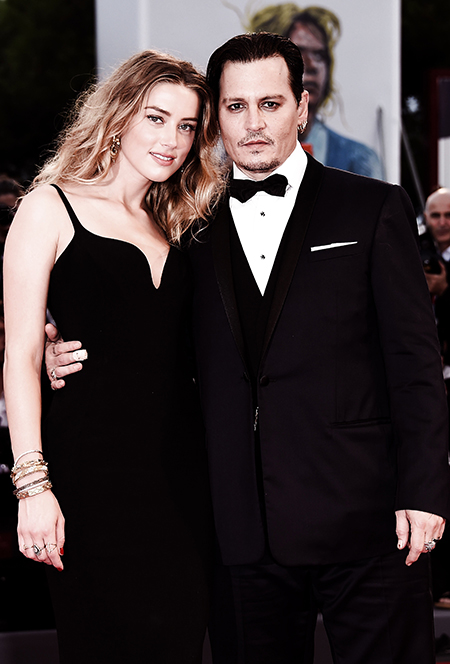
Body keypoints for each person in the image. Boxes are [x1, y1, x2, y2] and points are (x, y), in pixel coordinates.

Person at [46, 33, 450, 664]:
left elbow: (416, 364)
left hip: (369, 520)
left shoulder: (371, 207)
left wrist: (424, 492)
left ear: (302, 108)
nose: (253, 123)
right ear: (216, 117)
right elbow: (148, 335)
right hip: (236, 530)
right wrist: (63, 349)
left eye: (270, 103)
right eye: (235, 106)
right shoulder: (180, 224)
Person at [3, 49, 224, 664]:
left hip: (184, 485)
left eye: (187, 126)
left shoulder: (181, 222)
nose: (172, 140)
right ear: (119, 115)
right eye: (156, 118)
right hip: (90, 479)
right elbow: (20, 355)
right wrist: (32, 486)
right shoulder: (50, 207)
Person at [246, 4, 384, 178]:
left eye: (319, 55)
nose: (311, 65)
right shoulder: (234, 155)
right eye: (298, 53)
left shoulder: (358, 159)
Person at [422, 187, 450, 610]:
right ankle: (438, 583)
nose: (442, 222)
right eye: (435, 215)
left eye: (448, 215)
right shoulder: (414, 251)